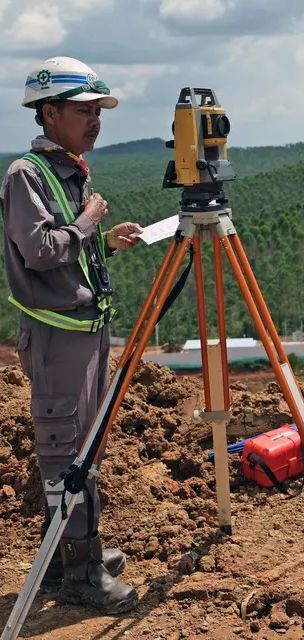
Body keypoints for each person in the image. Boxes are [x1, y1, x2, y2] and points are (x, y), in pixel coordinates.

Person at [0, 56, 143, 614]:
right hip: (58, 338)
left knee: (85, 446)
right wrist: (89, 223)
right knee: (66, 452)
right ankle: (79, 576)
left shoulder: (70, 172)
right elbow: (37, 252)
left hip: (84, 332)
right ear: (50, 112)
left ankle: (67, 556)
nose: (95, 121)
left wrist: (106, 243)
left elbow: (66, 259)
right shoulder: (26, 175)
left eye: (97, 111)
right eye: (84, 111)